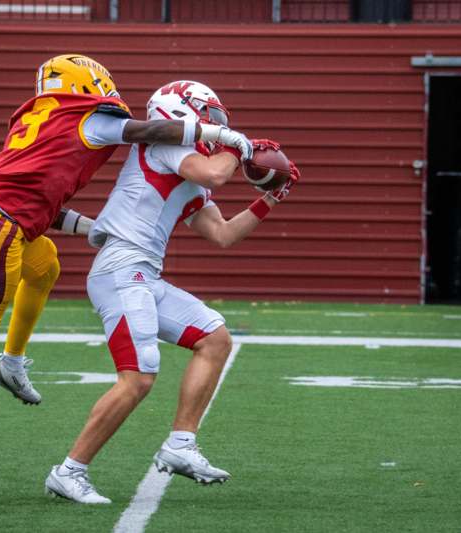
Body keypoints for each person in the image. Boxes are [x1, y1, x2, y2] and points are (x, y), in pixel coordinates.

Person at [0, 57, 255, 428]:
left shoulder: (42, 118)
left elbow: (39, 201)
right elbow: (147, 131)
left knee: (45, 265)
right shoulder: (88, 118)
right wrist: (221, 135)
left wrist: (90, 227)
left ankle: (12, 362)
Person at [44, 80, 300, 504]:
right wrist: (236, 146)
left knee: (215, 339)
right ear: (180, 110)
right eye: (208, 115)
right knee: (138, 377)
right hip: (121, 269)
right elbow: (216, 173)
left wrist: (271, 199)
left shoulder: (188, 168)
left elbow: (222, 234)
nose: (214, 125)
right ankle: (69, 471)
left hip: (143, 275)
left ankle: (181, 444)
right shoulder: (163, 146)